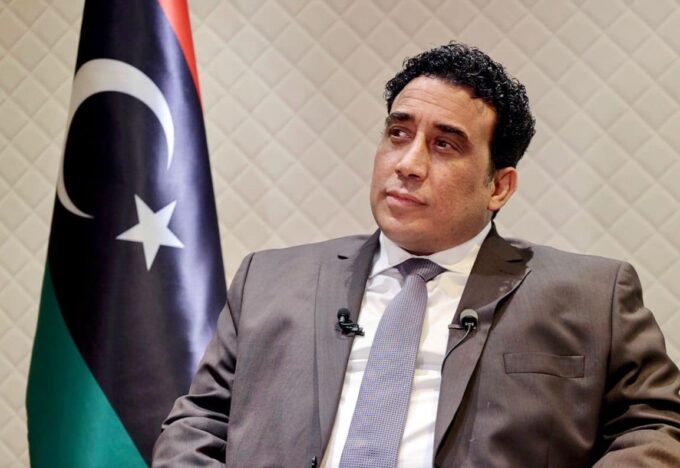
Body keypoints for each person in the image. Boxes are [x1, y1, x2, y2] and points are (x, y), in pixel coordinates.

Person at [152, 42, 680, 467]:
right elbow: (198, 423)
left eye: (444, 144)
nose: (407, 163)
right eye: (398, 133)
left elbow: (659, 426)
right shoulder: (268, 280)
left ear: (499, 186)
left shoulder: (591, 296)